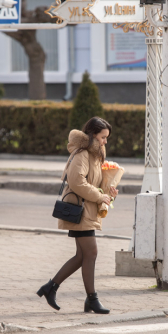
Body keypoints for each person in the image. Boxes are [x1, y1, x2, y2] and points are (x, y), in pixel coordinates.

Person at [37, 117, 118, 314]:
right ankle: (91, 299)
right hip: (80, 210)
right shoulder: (82, 154)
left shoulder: (95, 155)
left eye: (107, 137)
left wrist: (109, 193)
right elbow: (77, 182)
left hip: (87, 210)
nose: (105, 141)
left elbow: (95, 184)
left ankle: (51, 287)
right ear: (92, 135)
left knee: (83, 255)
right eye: (103, 137)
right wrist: (99, 196)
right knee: (91, 253)